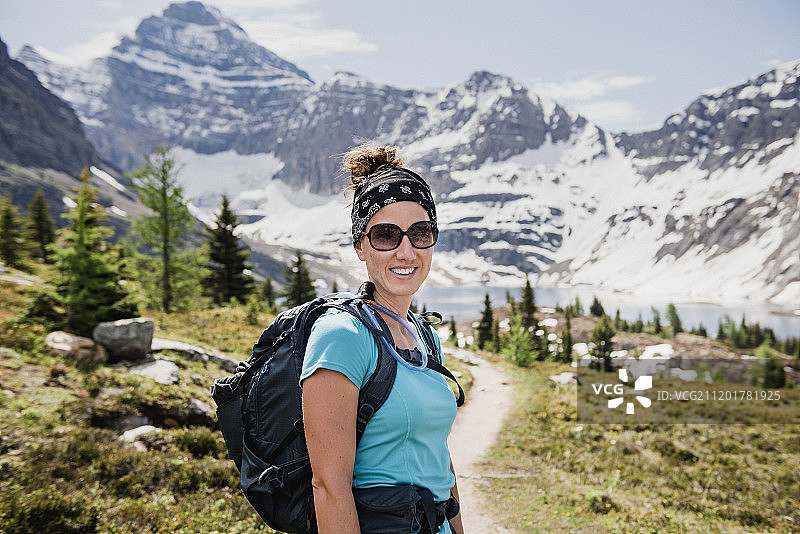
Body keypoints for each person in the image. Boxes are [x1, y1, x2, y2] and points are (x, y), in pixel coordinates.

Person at [300, 144, 464, 534]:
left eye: (420, 232)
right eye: (386, 235)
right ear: (360, 245)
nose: (406, 251)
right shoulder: (341, 337)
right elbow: (328, 487)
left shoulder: (424, 337)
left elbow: (438, 456)